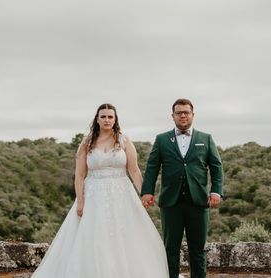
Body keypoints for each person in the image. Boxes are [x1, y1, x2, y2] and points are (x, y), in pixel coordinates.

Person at [31, 103, 170, 277]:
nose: (106, 120)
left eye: (110, 116)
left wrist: (144, 194)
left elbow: (133, 170)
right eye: (103, 116)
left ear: (115, 119)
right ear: (97, 119)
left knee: (125, 235)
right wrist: (80, 202)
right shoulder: (87, 142)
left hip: (122, 194)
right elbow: (80, 175)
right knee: (94, 237)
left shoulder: (124, 140)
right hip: (93, 194)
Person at [142, 98, 224, 278]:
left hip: (199, 201)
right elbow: (152, 167)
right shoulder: (162, 139)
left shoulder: (206, 138)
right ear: (173, 116)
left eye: (186, 112)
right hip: (171, 202)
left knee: (198, 250)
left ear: (193, 114)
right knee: (170, 249)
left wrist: (216, 190)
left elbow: (217, 167)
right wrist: (147, 191)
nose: (183, 115)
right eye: (179, 112)